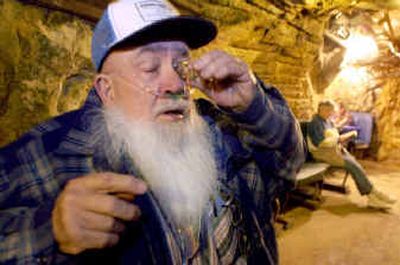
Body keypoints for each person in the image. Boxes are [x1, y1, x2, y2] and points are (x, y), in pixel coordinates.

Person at [0, 0, 305, 264]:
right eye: (149, 68)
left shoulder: (219, 131)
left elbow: (288, 166)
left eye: (181, 65)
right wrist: (48, 231)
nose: (175, 85)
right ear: (107, 90)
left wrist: (254, 105)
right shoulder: (50, 153)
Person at [307, 100, 396, 209]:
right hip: (322, 154)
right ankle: (372, 196)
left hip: (334, 151)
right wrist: (342, 138)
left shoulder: (327, 121)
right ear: (320, 109)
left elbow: (334, 134)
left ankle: (374, 193)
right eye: (327, 110)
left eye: (330, 111)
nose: (329, 113)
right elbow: (320, 143)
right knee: (353, 166)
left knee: (356, 166)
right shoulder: (315, 122)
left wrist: (341, 136)